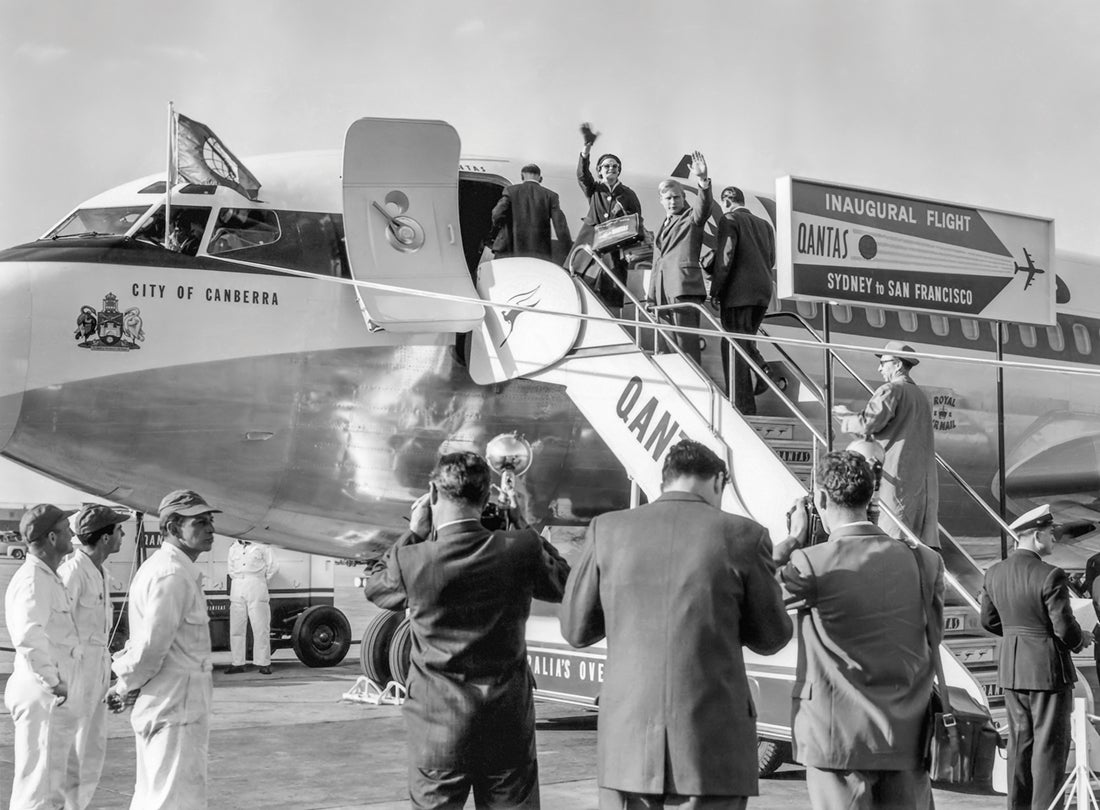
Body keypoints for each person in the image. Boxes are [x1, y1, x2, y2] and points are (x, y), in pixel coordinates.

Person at [561, 439, 792, 809]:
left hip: (628, 742)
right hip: (713, 744)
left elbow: (576, 630)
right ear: (718, 481)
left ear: (665, 481)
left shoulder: (607, 529)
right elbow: (771, 637)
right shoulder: (746, 535)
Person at [362, 452, 571, 809]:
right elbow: (564, 582)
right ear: (487, 496)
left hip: (438, 730)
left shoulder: (413, 559)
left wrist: (414, 532)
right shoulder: (521, 549)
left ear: (432, 493)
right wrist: (521, 523)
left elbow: (376, 587)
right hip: (507, 725)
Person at [773, 450, 944, 810]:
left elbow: (755, 593)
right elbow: (934, 637)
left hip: (837, 740)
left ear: (821, 499)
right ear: (870, 497)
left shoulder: (810, 563)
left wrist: (793, 539)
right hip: (908, 736)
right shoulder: (925, 561)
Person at [107, 490, 220, 810]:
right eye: (199, 522)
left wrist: (126, 684)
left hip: (177, 708)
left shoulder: (174, 570)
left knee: (160, 798)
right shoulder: (171, 575)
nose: (210, 529)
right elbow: (150, 648)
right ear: (172, 528)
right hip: (174, 711)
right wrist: (124, 685)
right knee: (171, 802)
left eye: (209, 521)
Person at [980, 503, 1091, 810]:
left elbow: (988, 620)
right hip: (1047, 671)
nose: (1054, 538)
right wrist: (1082, 638)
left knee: (1019, 745)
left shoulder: (995, 573)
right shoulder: (1050, 575)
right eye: (1050, 532)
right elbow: (1064, 628)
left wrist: (1018, 634)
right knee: (1049, 749)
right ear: (1036, 535)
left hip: (1013, 669)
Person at [4, 503, 81, 810]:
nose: (72, 534)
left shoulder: (48, 577)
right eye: (67, 529)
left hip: (50, 694)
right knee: (39, 791)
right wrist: (52, 682)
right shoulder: (33, 580)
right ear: (51, 537)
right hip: (43, 695)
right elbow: (28, 636)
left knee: (52, 786)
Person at [832, 340, 940, 548]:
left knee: (892, 533)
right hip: (919, 480)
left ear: (897, 364)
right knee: (914, 540)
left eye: (883, 363)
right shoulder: (920, 395)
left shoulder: (891, 390)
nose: (879, 368)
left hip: (894, 472)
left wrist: (844, 416)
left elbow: (868, 423)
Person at [58, 503, 130, 810]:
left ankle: (76, 805)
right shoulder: (72, 573)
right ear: (105, 538)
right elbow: (57, 628)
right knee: (73, 749)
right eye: (119, 530)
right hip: (76, 672)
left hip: (97, 668)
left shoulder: (101, 573)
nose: (123, 534)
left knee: (91, 747)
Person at [709, 187, 776, 414]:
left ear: (726, 202)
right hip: (763, 292)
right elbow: (770, 259)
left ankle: (743, 404)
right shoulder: (765, 225)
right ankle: (762, 372)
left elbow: (726, 256)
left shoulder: (729, 219)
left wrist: (716, 289)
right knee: (745, 340)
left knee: (732, 345)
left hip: (738, 293)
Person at [644, 151, 713, 366]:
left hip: (683, 289)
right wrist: (651, 298)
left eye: (677, 197)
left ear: (684, 198)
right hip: (662, 294)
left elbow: (703, 208)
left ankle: (693, 382)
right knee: (667, 348)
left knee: (686, 347)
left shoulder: (690, 218)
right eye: (668, 198)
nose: (673, 201)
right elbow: (657, 264)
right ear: (661, 201)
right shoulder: (661, 227)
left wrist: (702, 180)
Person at [571, 123, 644, 310]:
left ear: (619, 170)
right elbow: (582, 175)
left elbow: (638, 222)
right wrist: (586, 149)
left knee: (610, 293)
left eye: (614, 166)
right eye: (606, 166)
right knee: (580, 289)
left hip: (614, 251)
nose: (611, 168)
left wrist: (631, 248)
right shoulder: (595, 189)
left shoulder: (628, 194)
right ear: (599, 170)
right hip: (589, 248)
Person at [485, 164, 572, 263]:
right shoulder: (551, 196)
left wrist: (498, 228)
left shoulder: (510, 191)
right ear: (540, 178)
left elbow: (497, 214)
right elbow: (561, 226)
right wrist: (568, 251)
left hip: (508, 249)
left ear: (522, 176)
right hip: (538, 253)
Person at [226, 538, 278, 675]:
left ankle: (263, 663)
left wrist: (261, 581)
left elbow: (273, 567)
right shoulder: (234, 547)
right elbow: (231, 569)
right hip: (237, 585)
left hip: (256, 584)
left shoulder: (262, 545)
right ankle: (238, 663)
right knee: (236, 628)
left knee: (260, 627)